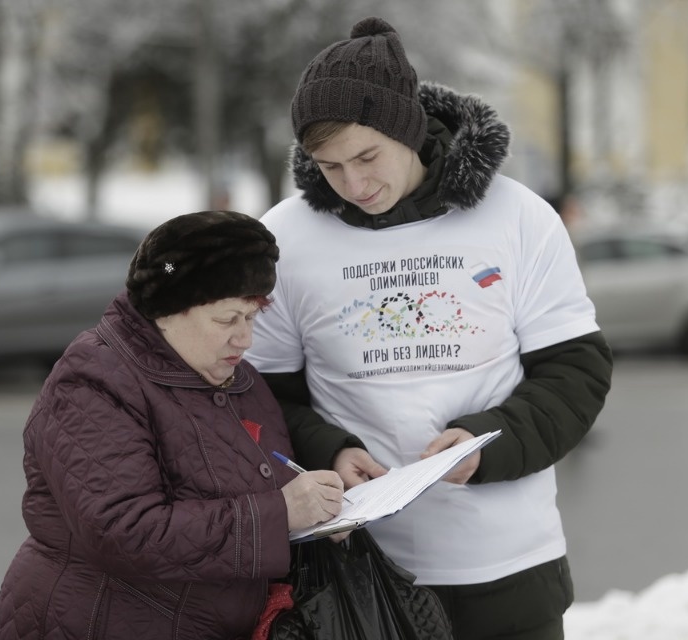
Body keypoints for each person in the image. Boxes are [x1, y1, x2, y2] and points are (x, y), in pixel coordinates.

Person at [246, 17, 614, 640]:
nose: (354, 184)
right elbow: (259, 398)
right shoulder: (287, 237)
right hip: (355, 574)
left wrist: (487, 443)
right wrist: (326, 448)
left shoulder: (517, 216)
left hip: (506, 567)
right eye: (330, 166)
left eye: (367, 157)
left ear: (408, 129)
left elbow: (576, 371)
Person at [0, 210, 347, 640]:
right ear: (168, 309)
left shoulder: (236, 376)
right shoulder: (92, 380)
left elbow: (266, 476)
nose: (244, 338)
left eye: (251, 318)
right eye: (226, 319)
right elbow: (125, 531)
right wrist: (281, 513)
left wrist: (320, 509)